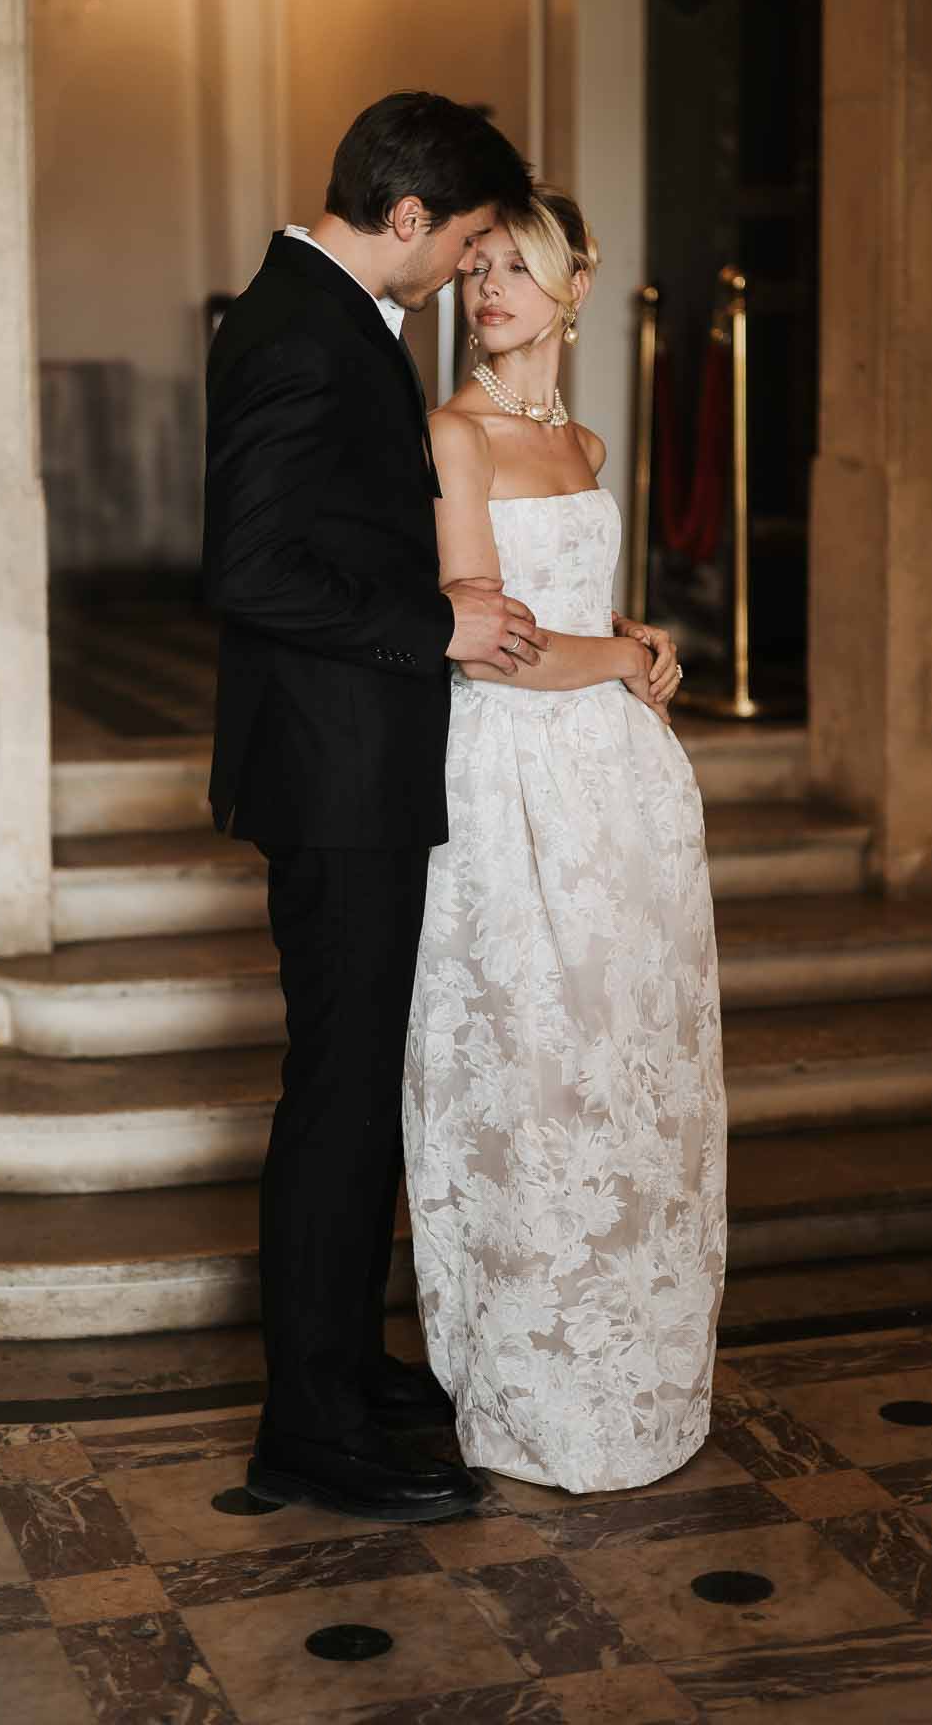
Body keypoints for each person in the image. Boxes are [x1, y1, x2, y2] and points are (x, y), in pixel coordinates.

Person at [202, 92, 541, 1523]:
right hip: (335, 775)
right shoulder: (300, 330)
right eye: (462, 238)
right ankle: (311, 1427)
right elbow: (252, 570)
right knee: (337, 1100)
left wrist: (432, 599)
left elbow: (328, 536)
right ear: (407, 219)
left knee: (356, 1091)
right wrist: (437, 625)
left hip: (355, 762)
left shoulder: (322, 314)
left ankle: (345, 1362)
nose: (463, 265)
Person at [403, 185, 727, 1495]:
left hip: (622, 787)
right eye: (473, 269)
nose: (488, 291)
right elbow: (506, 652)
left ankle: (636, 1375)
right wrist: (638, 650)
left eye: (515, 270)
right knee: (531, 1071)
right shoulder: (451, 435)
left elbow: (574, 613)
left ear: (576, 286)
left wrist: (630, 650)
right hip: (513, 780)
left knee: (627, 1072)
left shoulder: (589, 442)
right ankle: (532, 1386)